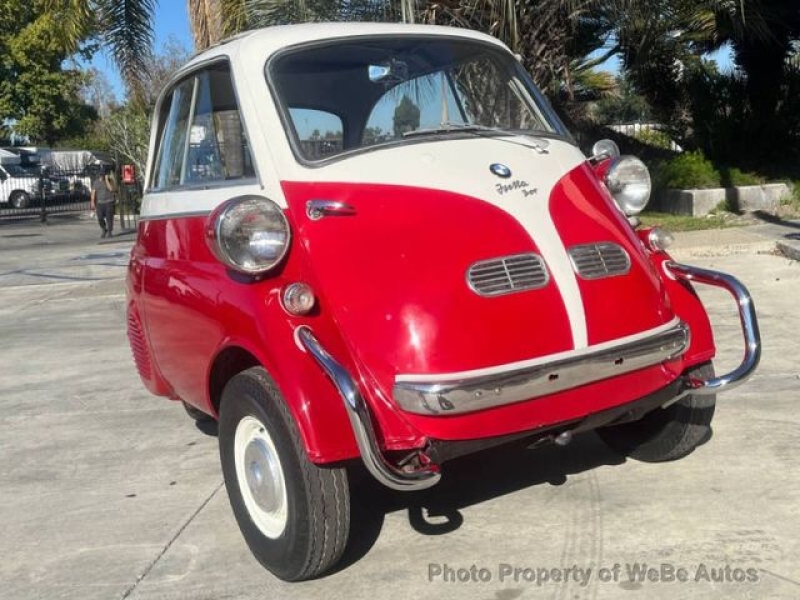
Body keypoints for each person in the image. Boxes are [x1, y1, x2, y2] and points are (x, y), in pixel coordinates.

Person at [90, 172, 117, 238]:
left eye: (103, 175)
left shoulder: (110, 181)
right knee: (100, 218)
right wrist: (92, 202)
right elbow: (93, 192)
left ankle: (109, 232)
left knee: (109, 218)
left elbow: (111, 189)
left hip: (109, 202)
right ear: (99, 175)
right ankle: (104, 229)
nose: (102, 177)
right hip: (100, 203)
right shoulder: (96, 182)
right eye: (101, 175)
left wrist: (107, 180)